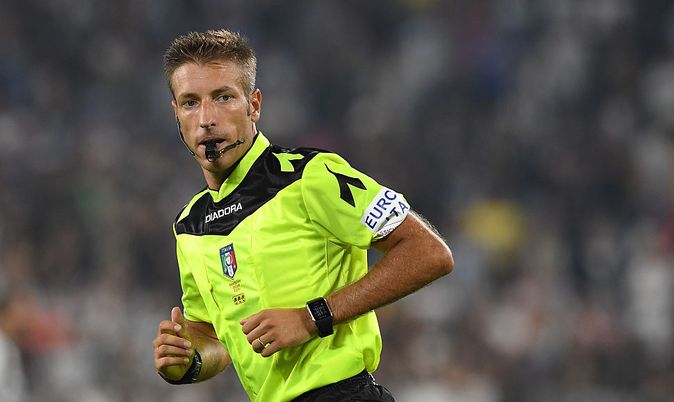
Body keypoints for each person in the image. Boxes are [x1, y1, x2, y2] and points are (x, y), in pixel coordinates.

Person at [152, 29, 454, 402]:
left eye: (224, 97)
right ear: (176, 114)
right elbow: (213, 335)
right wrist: (188, 361)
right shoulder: (190, 226)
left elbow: (429, 253)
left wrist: (312, 317)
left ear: (254, 105)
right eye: (190, 103)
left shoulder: (310, 176)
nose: (206, 119)